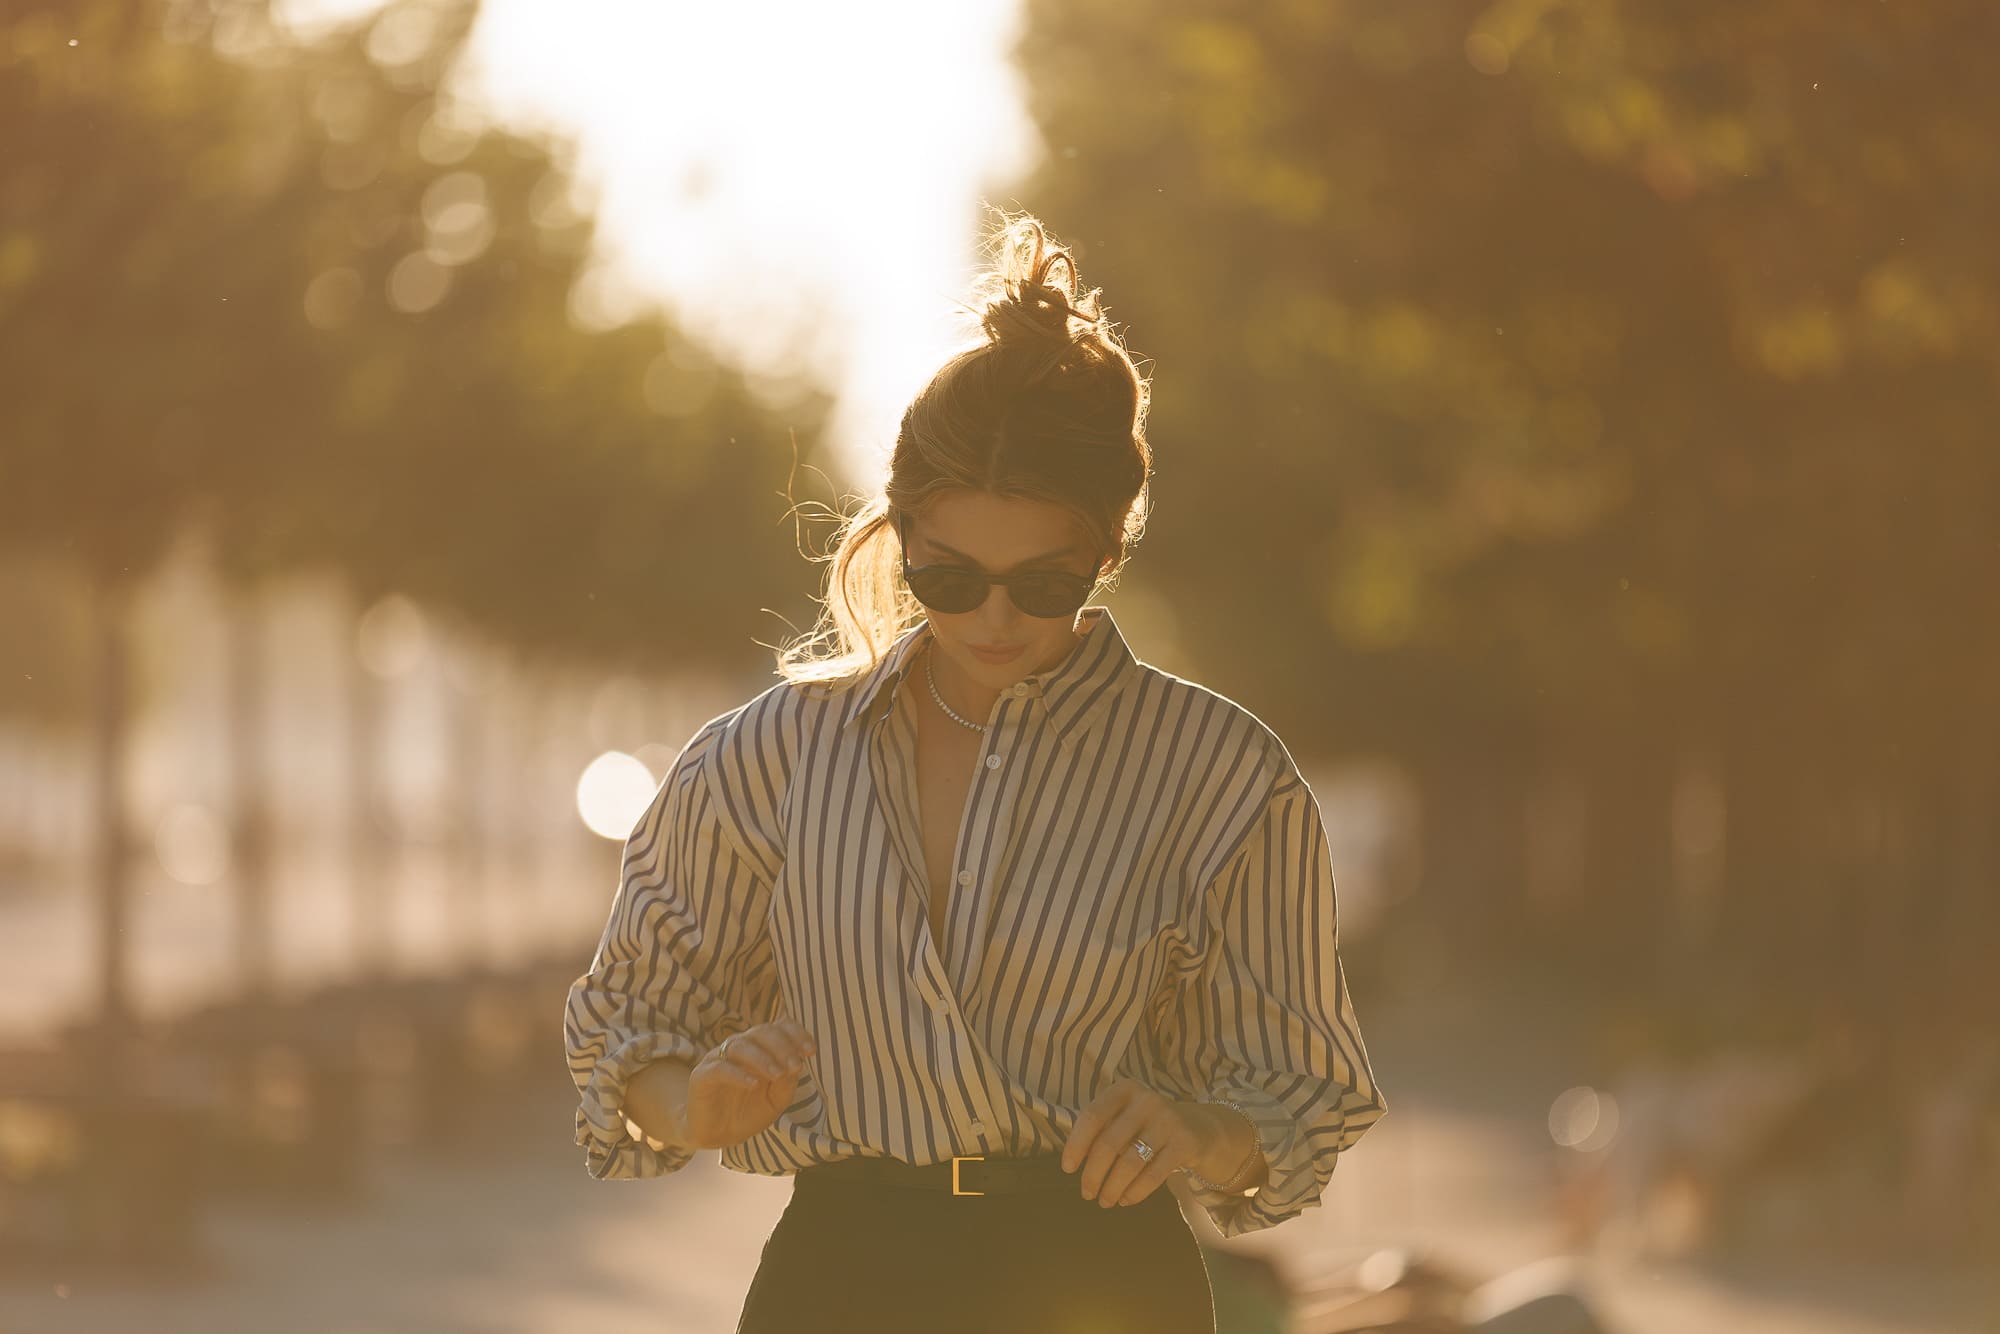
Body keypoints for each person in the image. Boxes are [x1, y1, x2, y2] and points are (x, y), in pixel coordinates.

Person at [563, 209, 1387, 1333]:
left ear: (1106, 548)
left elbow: (1303, 1084)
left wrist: (1198, 1132)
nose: (994, 618)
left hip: (1101, 1283)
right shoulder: (764, 757)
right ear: (898, 534)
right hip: (837, 1281)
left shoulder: (1222, 776)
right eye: (950, 577)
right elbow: (629, 1032)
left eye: (1042, 582)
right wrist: (691, 1109)